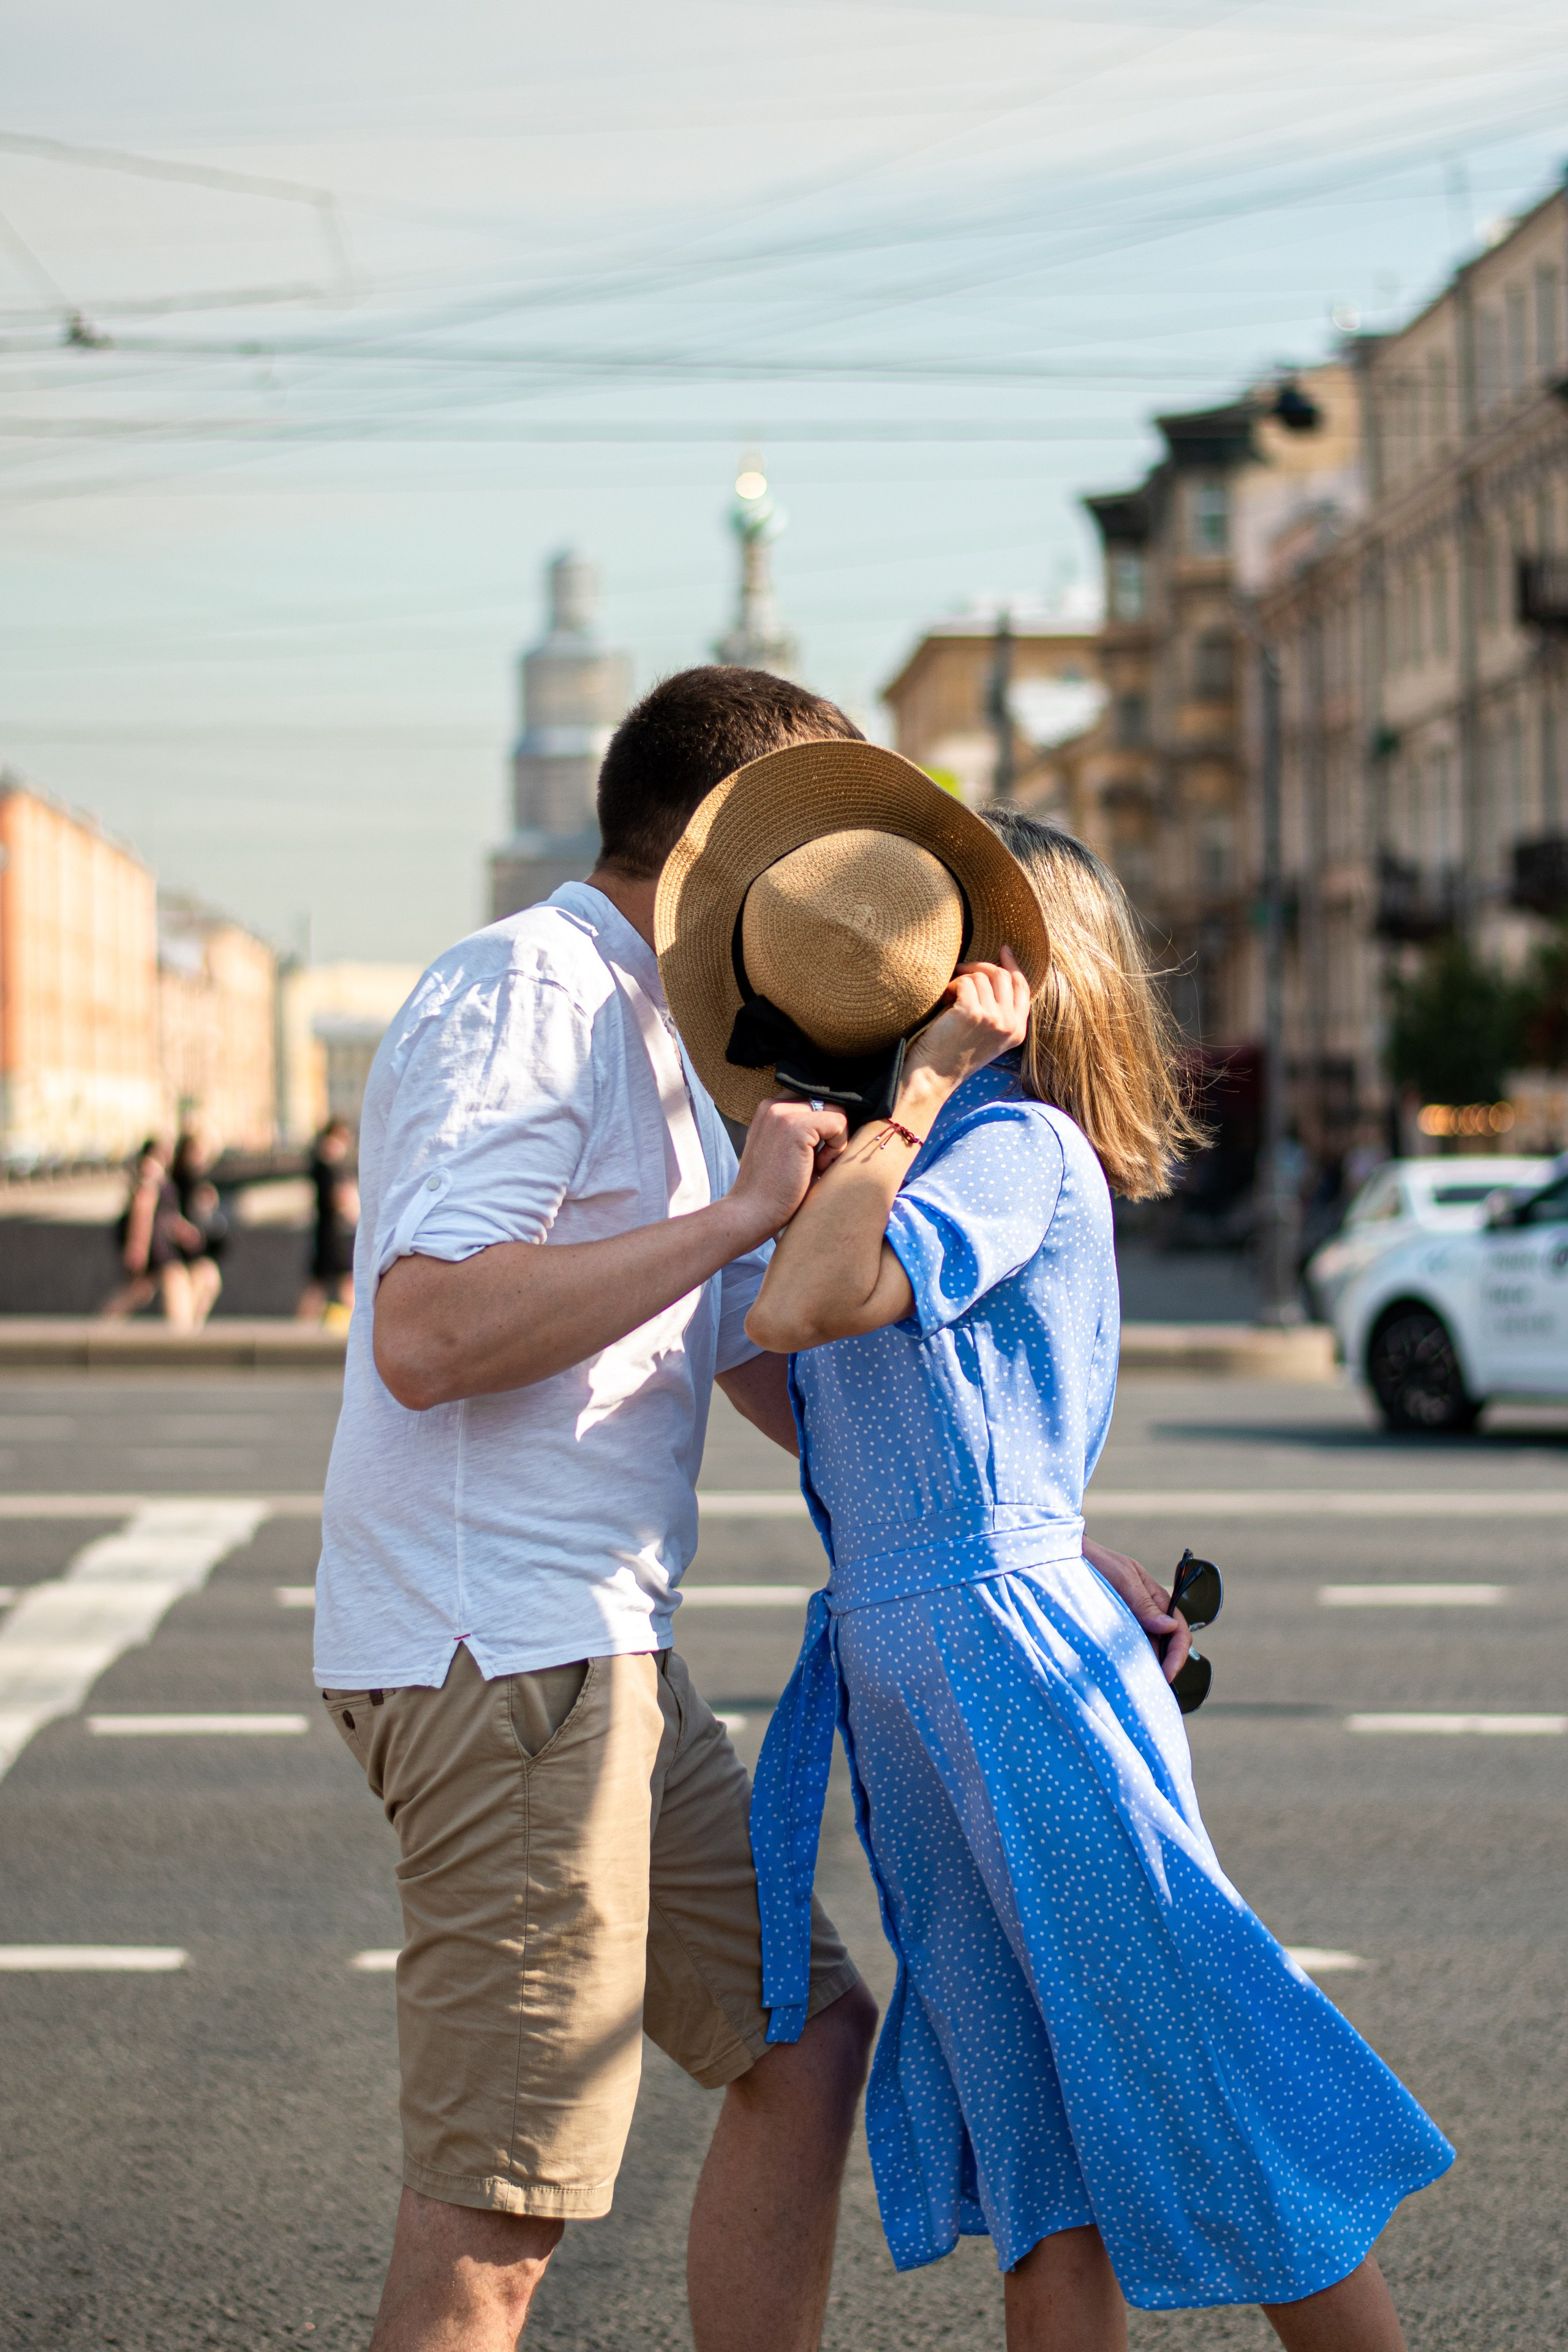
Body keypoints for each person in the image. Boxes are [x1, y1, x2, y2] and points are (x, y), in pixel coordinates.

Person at [655, 763, 1454, 2352]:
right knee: (1037, 2155)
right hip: (925, 1673)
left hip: (1010, 1664)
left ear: (1006, 987)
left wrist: (924, 1094)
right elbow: (788, 1373)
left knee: (1200, 2067)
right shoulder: (906, 1163)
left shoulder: (1006, 1150)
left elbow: (808, 1312)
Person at [313, 668, 878, 2352]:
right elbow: (429, 1329)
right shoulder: (532, 987)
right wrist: (736, 1221)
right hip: (512, 1660)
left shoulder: (653, 1025)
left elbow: (738, 1362)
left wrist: (1010, 1538)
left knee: (808, 2033)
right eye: (820, 860)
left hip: (603, 1655)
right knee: (505, 2213)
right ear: (727, 848)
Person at [101, 1135, 205, 1324]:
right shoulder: (150, 1174)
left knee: (139, 1292)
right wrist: (137, 1247)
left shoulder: (156, 1175)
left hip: (158, 1247)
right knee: (173, 1285)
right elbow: (143, 1211)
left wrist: (183, 1230)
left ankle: (100, 1331)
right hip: (157, 1250)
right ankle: (183, 1343)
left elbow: (166, 1215)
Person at [296, 1117, 359, 1325]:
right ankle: (358, 1325)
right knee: (337, 1282)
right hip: (331, 1234)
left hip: (329, 1232)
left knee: (324, 1283)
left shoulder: (323, 1165)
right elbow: (336, 1199)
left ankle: (302, 1328)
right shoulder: (325, 1167)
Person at [171, 1125, 227, 1327]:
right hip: (178, 1250)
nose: (201, 1156)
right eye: (197, 1150)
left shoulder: (197, 1179)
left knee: (209, 1280)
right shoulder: (181, 1180)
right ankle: (188, 1334)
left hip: (192, 1249)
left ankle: (192, 1330)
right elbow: (173, 1214)